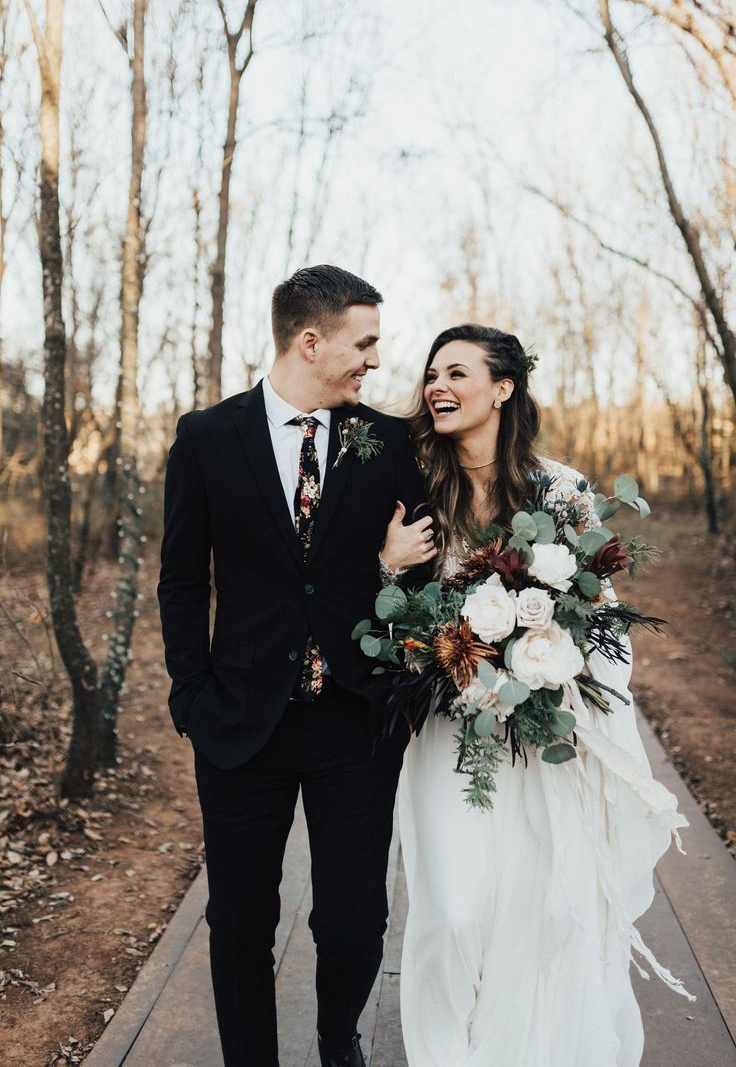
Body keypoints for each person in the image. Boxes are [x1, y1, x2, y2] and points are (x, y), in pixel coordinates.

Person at [379, 324, 691, 1067]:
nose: (437, 387)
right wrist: (389, 569)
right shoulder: (413, 486)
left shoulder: (560, 488)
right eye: (431, 374)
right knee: (451, 912)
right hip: (447, 734)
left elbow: (600, 619)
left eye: (457, 372)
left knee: (535, 905)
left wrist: (547, 670)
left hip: (537, 732)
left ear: (504, 387)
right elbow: (378, 617)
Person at [157, 265, 435, 1067]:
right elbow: (181, 579)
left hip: (356, 721)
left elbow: (420, 577)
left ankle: (335, 1035)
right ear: (309, 341)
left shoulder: (386, 443)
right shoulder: (207, 437)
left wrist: (388, 569)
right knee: (240, 920)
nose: (376, 360)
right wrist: (191, 695)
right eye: (365, 342)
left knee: (353, 926)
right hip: (240, 722)